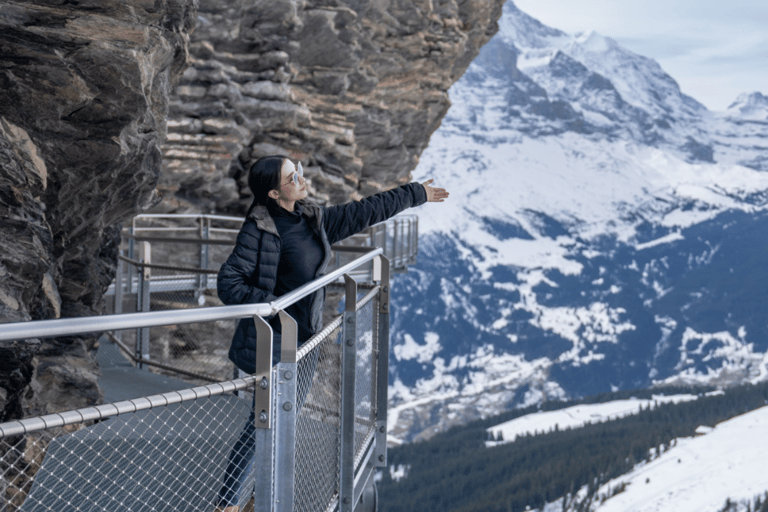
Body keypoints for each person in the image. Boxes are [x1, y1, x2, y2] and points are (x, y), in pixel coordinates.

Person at [215, 155, 449, 512]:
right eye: (293, 177)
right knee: (262, 423)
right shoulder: (258, 230)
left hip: (305, 340)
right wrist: (277, 306)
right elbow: (229, 284)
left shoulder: (311, 219)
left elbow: (364, 211)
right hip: (276, 341)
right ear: (275, 193)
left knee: (282, 422)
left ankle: (252, 501)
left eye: (300, 170)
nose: (302, 178)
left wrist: (416, 193)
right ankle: (227, 505)